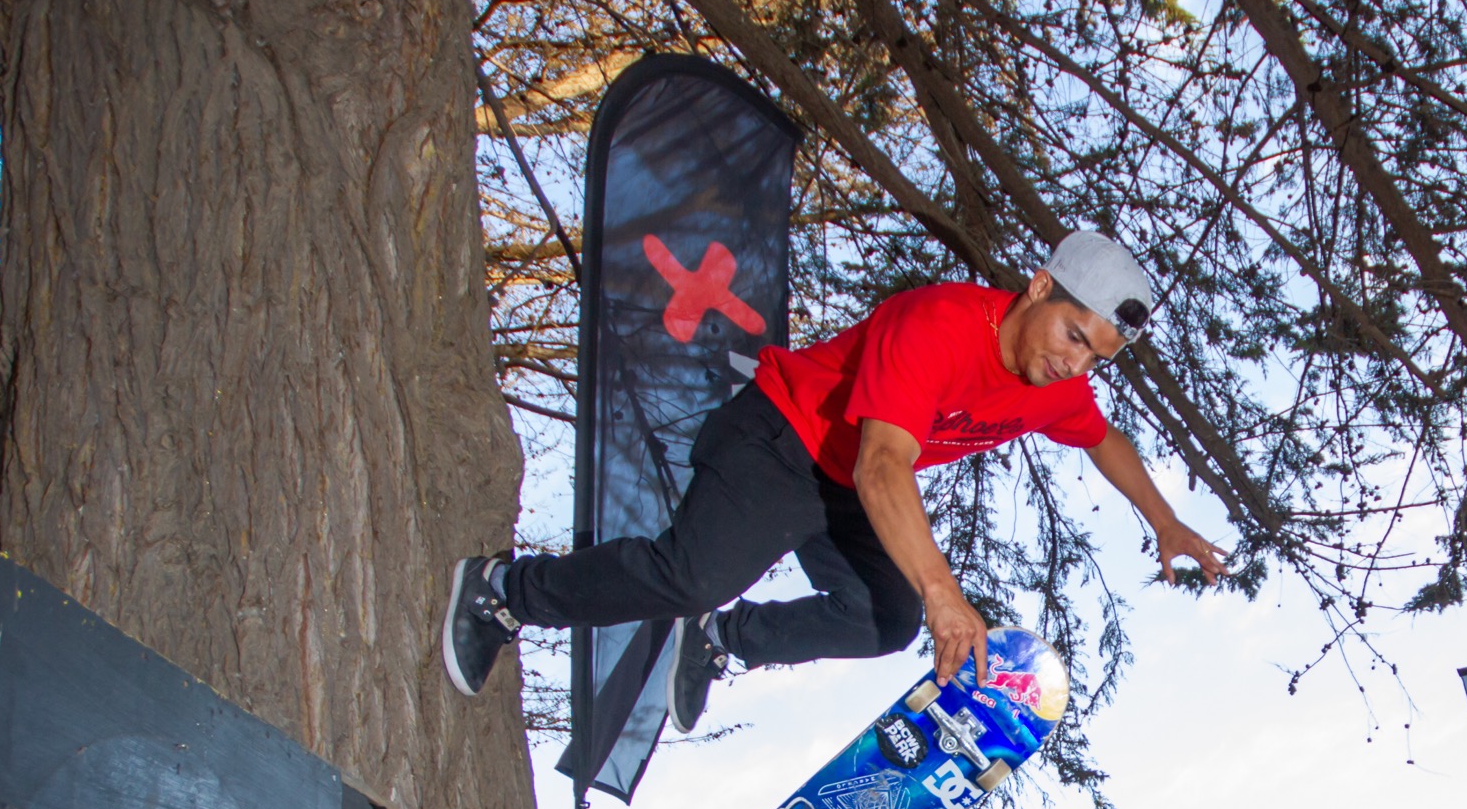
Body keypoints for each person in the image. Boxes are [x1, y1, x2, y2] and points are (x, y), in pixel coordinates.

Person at [439, 232, 1230, 724]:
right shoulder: (935, 327)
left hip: (847, 487)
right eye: (1072, 336)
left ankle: (724, 640)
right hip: (782, 439)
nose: (1072, 363)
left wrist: (1163, 520)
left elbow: (1105, 439)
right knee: (689, 575)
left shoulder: (1057, 384)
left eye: (1095, 356)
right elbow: (885, 466)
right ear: (1038, 286)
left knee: (883, 622)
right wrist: (943, 592)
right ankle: (505, 591)